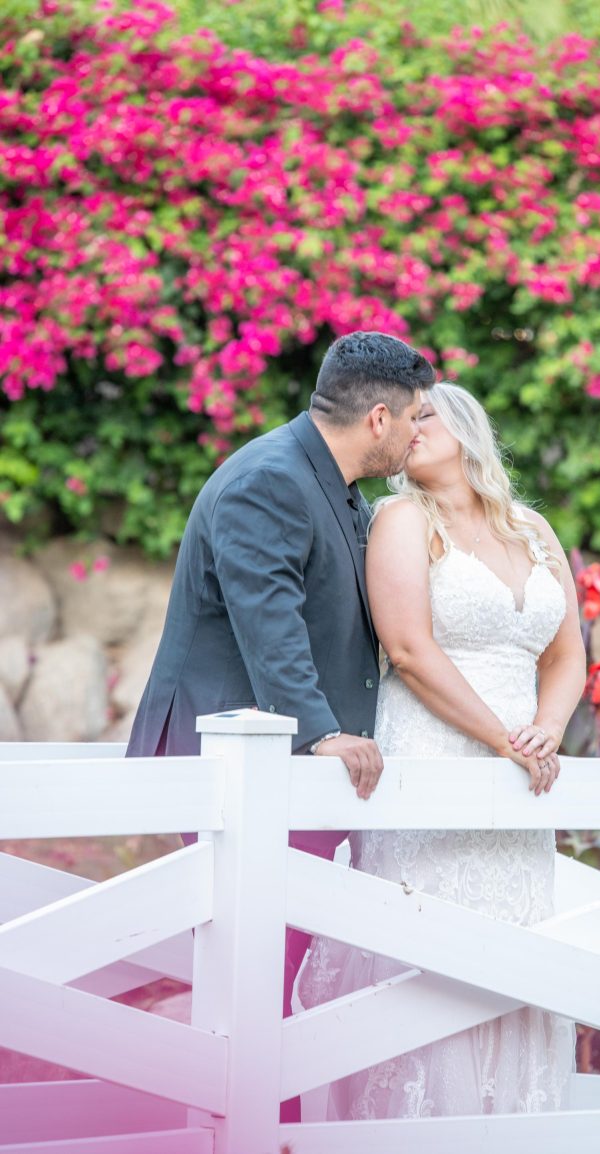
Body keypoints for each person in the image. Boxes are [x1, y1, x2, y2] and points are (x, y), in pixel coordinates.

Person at [126, 329, 436, 1122]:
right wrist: (318, 732)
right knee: (260, 969)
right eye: (413, 419)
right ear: (377, 418)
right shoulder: (269, 480)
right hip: (228, 763)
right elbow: (271, 621)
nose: (416, 434)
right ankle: (245, 1129)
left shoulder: (333, 486)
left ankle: (279, 1127)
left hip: (279, 769)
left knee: (287, 963)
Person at [299, 381, 587, 1118]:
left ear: (466, 427)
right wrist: (501, 740)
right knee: (430, 946)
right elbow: (408, 649)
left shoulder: (532, 529)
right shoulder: (401, 520)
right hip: (436, 748)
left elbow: (565, 656)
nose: (410, 426)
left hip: (527, 771)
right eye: (404, 417)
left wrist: (546, 729)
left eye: (426, 413)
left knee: (516, 943)